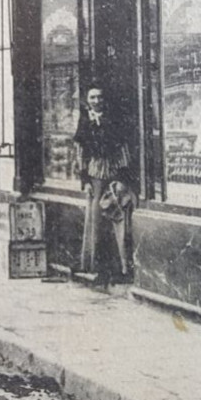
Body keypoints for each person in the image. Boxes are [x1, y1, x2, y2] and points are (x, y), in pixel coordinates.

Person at [73, 87, 138, 283]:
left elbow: (122, 148)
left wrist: (122, 177)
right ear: (87, 100)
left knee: (117, 220)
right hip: (95, 177)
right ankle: (98, 267)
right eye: (92, 97)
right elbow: (80, 152)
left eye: (100, 96)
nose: (96, 100)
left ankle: (121, 268)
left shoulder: (114, 120)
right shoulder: (84, 122)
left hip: (114, 175)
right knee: (96, 221)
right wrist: (84, 180)